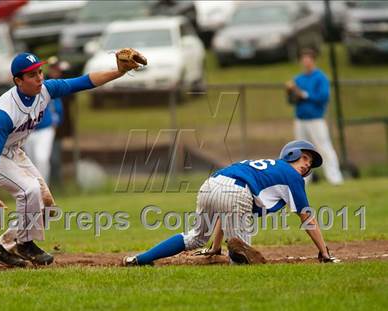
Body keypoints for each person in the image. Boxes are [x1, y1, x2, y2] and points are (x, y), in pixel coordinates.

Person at [0, 49, 146, 267]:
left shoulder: (45, 90)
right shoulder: (3, 112)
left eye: (40, 72)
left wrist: (118, 72)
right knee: (29, 189)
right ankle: (25, 244)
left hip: (13, 151)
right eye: (32, 75)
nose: (39, 78)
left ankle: (2, 247)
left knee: (45, 202)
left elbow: (84, 82)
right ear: (18, 80)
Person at [123, 140, 340, 266]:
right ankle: (236, 251)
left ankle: (140, 259)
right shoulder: (290, 175)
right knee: (243, 263)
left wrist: (215, 247)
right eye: (304, 158)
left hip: (210, 185)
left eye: (310, 163)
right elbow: (306, 217)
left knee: (196, 237)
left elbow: (224, 209)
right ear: (291, 155)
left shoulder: (269, 168)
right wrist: (324, 251)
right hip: (236, 191)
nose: (307, 165)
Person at [285, 48, 344, 185]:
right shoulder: (298, 79)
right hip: (301, 119)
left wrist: (304, 94)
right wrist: (290, 92)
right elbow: (292, 100)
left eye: (308, 59)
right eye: (303, 59)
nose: (306, 62)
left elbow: (323, 97)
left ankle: (335, 177)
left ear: (313, 60)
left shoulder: (320, 77)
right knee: (300, 151)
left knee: (323, 147)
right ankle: (303, 179)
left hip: (315, 119)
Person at [24, 56, 65, 183]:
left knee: (42, 158)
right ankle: (33, 191)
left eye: (39, 71)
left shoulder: (46, 87)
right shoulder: (19, 91)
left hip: (45, 129)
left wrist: (55, 122)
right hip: (28, 131)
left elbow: (57, 108)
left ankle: (43, 191)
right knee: (31, 163)